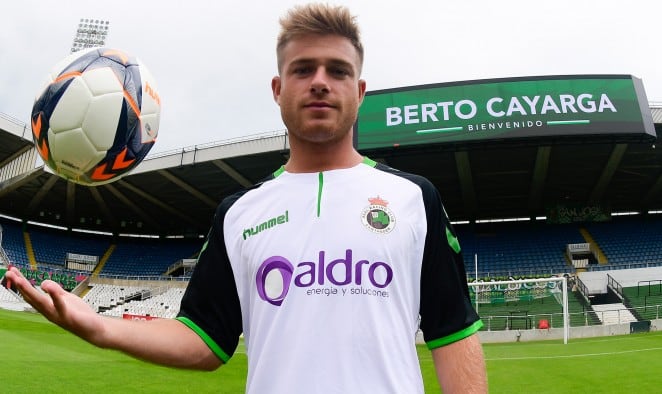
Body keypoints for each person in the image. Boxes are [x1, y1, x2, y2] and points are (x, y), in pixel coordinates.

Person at [5, 3, 487, 393]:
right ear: (278, 90)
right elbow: (205, 339)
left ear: (359, 92)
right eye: (303, 69)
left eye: (337, 71)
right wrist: (101, 328)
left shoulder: (412, 200)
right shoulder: (239, 214)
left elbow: (453, 334)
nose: (320, 80)